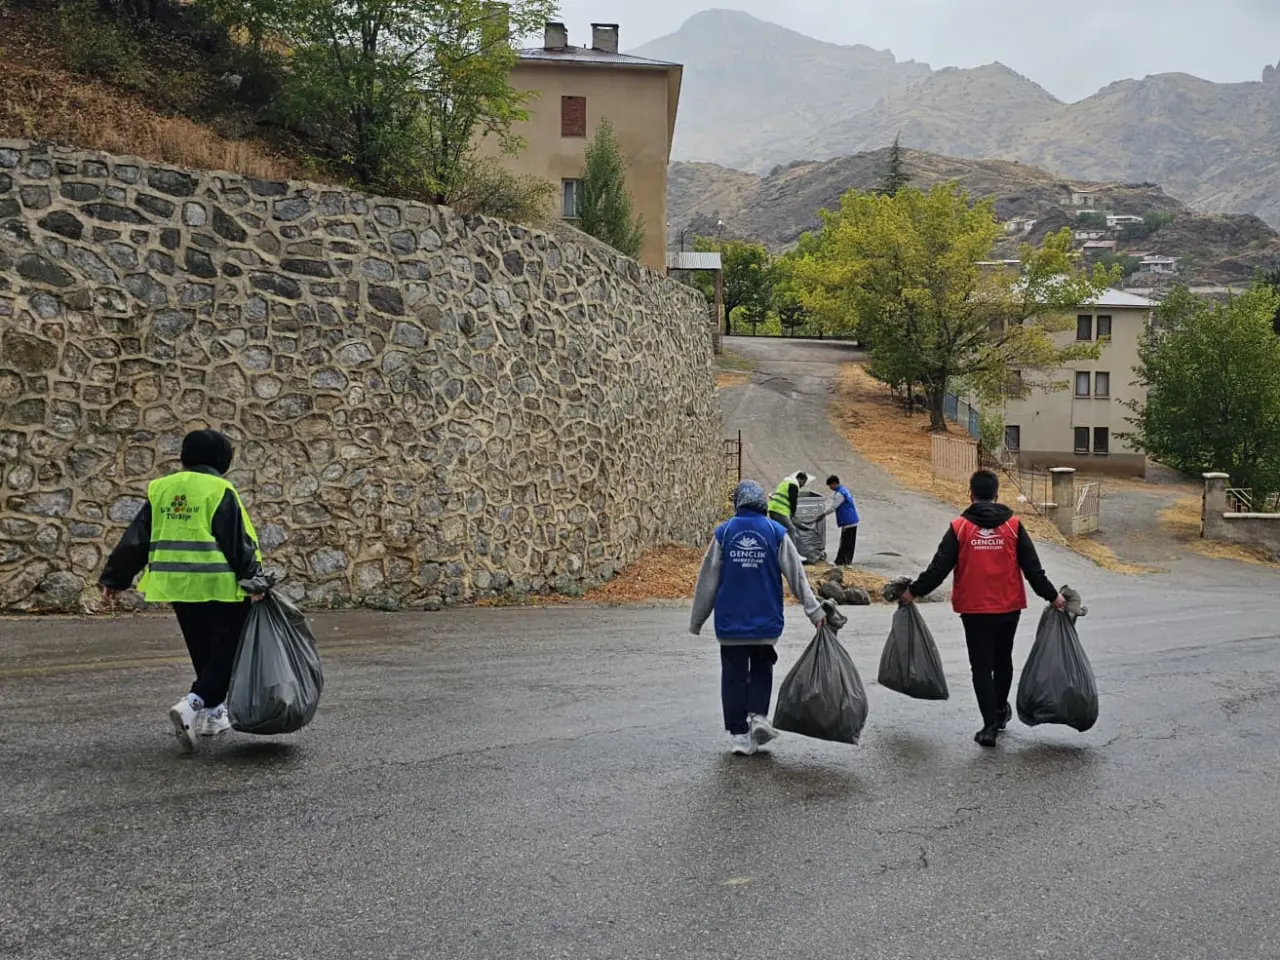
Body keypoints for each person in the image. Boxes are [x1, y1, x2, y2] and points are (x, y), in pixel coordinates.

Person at [99, 429, 265, 753]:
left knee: (203, 651)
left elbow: (137, 538)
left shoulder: (162, 489)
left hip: (177, 585)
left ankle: (213, 714)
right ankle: (193, 703)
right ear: (222, 461)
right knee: (231, 651)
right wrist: (254, 581)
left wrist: (115, 578)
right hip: (218, 585)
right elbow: (237, 541)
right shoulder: (219, 489)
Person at [900, 469, 1066, 748]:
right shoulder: (1013, 526)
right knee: (1003, 661)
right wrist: (1053, 597)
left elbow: (938, 568)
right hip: (1008, 607)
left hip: (974, 609)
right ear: (997, 495)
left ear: (971, 495)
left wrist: (913, 592)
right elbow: (1032, 569)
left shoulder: (960, 528)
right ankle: (1000, 712)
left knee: (981, 666)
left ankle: (989, 725)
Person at [691, 480, 825, 756]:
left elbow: (708, 579)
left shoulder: (725, 533)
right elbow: (796, 576)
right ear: (762, 503)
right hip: (766, 620)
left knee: (733, 675)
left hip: (731, 623)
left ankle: (739, 735)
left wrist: (698, 619)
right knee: (763, 665)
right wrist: (814, 611)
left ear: (738, 502)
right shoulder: (776, 532)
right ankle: (759, 717)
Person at [823, 475, 860, 566]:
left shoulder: (840, 494)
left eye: (830, 486)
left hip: (847, 520)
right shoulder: (844, 490)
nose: (830, 488)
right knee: (849, 543)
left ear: (835, 483)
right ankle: (847, 561)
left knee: (845, 542)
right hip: (852, 519)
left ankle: (840, 561)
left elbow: (833, 507)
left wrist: (822, 514)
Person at [767, 471, 809, 543]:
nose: (803, 485)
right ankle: (791, 552)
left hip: (774, 509)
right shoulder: (793, 484)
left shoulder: (785, 483)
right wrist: (793, 513)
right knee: (791, 529)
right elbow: (793, 500)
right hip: (780, 510)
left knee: (779, 530)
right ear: (800, 479)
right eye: (804, 482)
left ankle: (779, 548)